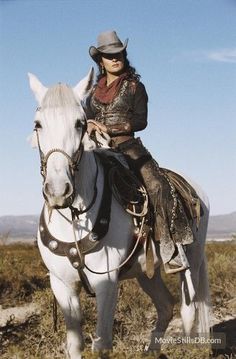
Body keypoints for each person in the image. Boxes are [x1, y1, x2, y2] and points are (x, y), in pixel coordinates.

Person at [85, 30, 199, 274]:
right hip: (97, 149)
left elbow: (141, 121)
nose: (115, 58)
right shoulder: (90, 95)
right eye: (109, 55)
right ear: (100, 61)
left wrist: (110, 127)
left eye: (119, 54)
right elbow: (84, 119)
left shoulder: (135, 87)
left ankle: (171, 248)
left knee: (157, 185)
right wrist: (90, 124)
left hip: (128, 147)